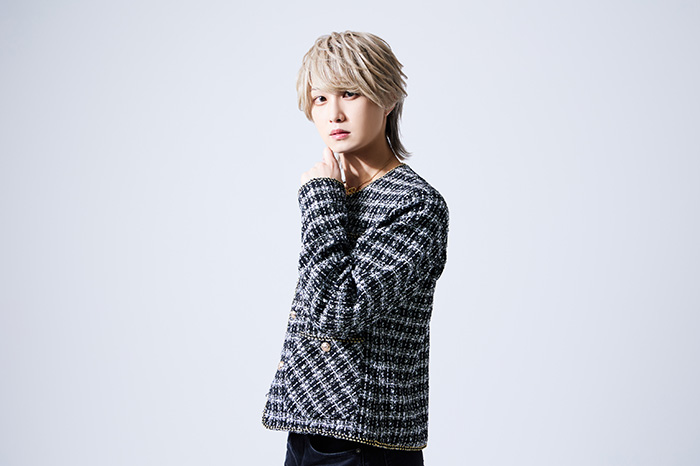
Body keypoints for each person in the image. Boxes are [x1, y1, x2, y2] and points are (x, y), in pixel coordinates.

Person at [262, 31, 449, 466]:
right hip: (308, 429)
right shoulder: (338, 192)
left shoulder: (415, 205)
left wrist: (321, 201)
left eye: (349, 93)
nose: (334, 113)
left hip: (365, 441)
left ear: (387, 98)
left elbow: (338, 310)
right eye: (320, 98)